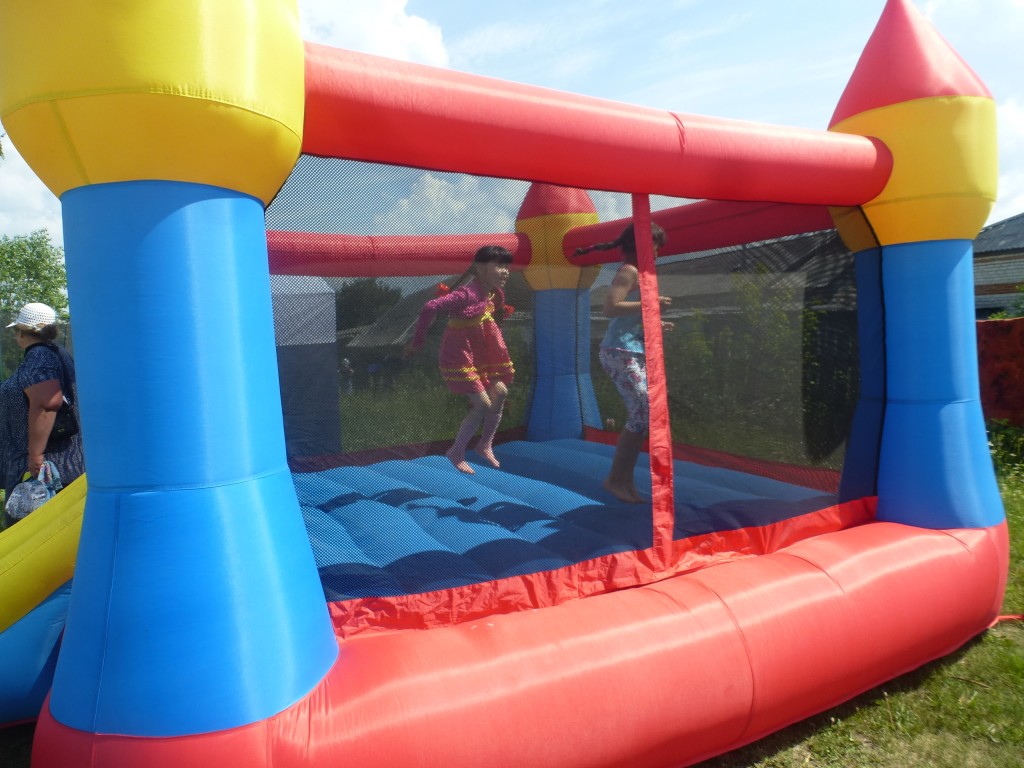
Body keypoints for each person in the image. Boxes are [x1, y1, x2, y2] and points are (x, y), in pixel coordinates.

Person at [577, 223, 671, 503]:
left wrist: (655, 323)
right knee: (644, 409)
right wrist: (650, 305)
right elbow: (610, 307)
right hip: (618, 351)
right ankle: (615, 479)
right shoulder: (628, 272)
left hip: (632, 349)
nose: (657, 253)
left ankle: (624, 479)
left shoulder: (642, 275)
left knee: (643, 415)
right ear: (640, 245)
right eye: (654, 247)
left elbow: (629, 318)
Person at [405, 245, 515, 474]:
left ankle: (485, 444)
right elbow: (430, 307)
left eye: (506, 266)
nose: (505, 271)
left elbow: (491, 316)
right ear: (480, 268)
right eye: (498, 265)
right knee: (483, 404)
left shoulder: (493, 293)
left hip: (480, 355)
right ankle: (456, 451)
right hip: (459, 355)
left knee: (500, 392)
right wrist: (417, 343)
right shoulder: (468, 293)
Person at [1, 302, 85, 516]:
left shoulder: (39, 356)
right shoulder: (55, 353)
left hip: (47, 469)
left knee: (25, 525)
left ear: (22, 332)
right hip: (59, 464)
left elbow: (48, 403)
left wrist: (35, 455)